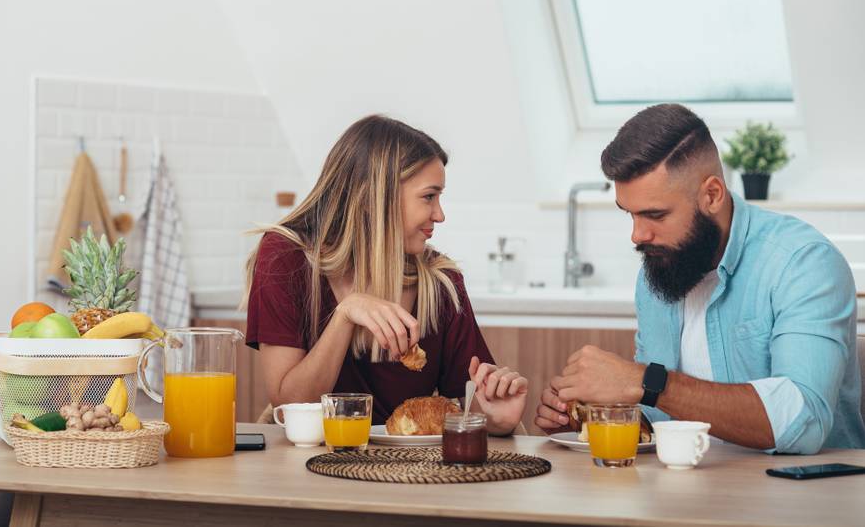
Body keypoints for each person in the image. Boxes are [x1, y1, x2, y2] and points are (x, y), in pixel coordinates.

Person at [535, 103, 865, 453]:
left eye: (655, 214)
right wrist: (593, 416)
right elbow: (660, 419)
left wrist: (646, 381)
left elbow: (805, 422)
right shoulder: (660, 271)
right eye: (630, 214)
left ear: (712, 195)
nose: (637, 235)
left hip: (806, 496)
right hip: (692, 492)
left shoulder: (802, 264)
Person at [245, 115, 527, 434]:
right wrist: (346, 315)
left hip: (408, 474)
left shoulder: (441, 282)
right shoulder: (286, 257)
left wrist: (497, 419)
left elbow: (467, 397)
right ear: (376, 196)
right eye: (429, 196)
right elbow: (290, 407)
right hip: (307, 469)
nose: (440, 214)